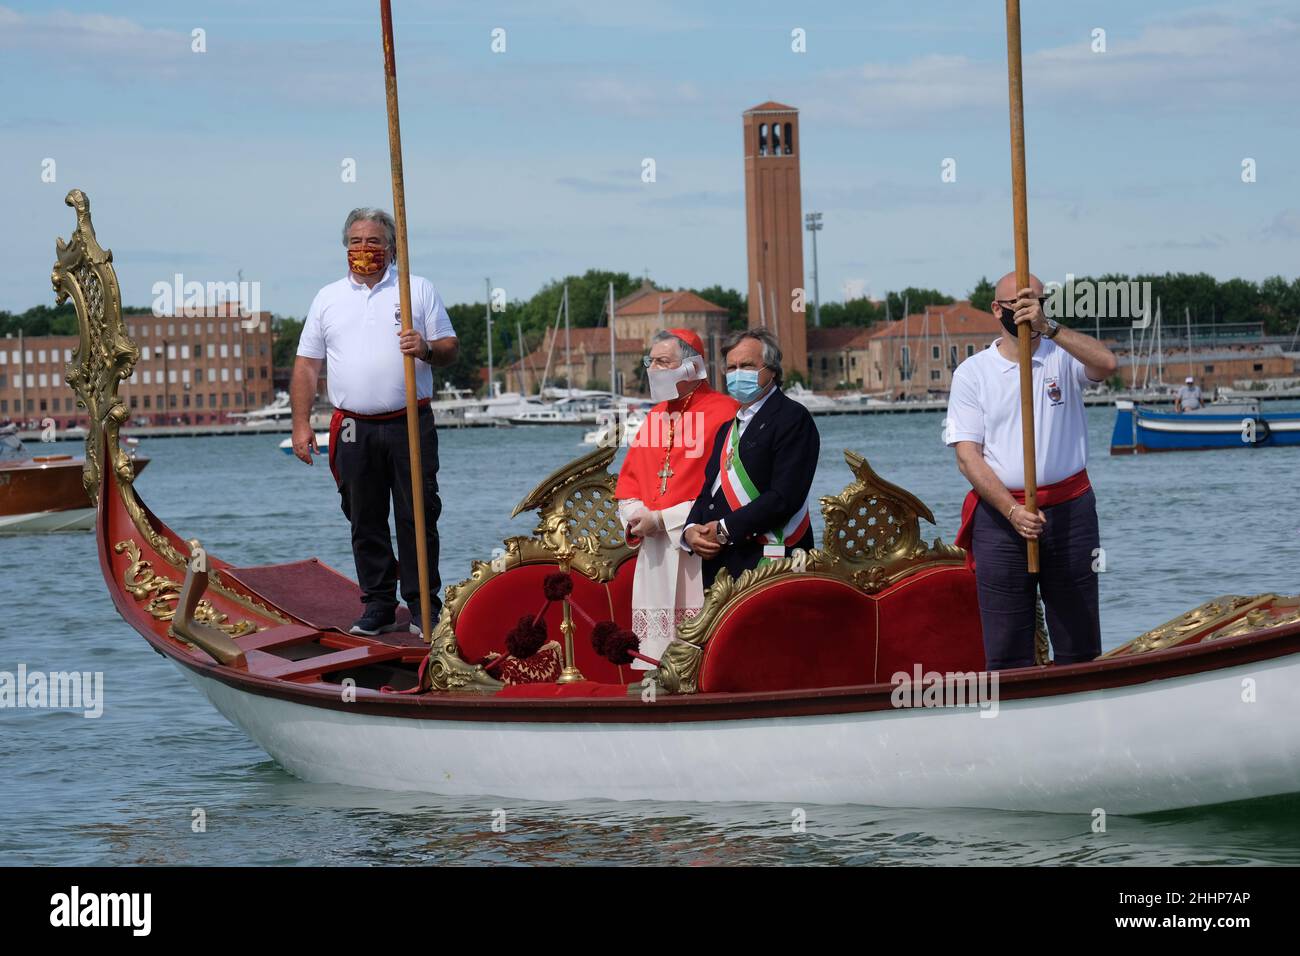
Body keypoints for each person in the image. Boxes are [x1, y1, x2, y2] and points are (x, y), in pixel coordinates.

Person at [290, 207, 459, 637]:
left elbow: (450, 347)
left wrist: (424, 349)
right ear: (345, 247)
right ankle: (379, 605)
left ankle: (424, 607)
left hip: (409, 422)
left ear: (392, 248)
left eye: (374, 242)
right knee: (363, 515)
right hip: (352, 427)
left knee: (417, 514)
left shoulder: (415, 290)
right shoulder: (327, 298)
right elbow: (308, 364)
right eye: (356, 241)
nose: (364, 250)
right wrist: (300, 424)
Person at [946, 272, 1118, 670]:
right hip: (1002, 517)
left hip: (1070, 512)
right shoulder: (973, 373)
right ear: (997, 310)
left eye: (1036, 302)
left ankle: (1083, 711)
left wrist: (1050, 328)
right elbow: (967, 456)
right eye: (1018, 304)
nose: (1027, 310)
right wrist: (1012, 511)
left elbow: (1107, 363)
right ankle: (1012, 721)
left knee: (1079, 640)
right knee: (1006, 646)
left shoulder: (1062, 355)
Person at [615, 329, 739, 668]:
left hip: (701, 547)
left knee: (701, 653)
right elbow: (627, 486)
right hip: (654, 553)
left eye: (662, 361)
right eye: (650, 361)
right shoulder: (655, 417)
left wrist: (665, 520)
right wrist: (638, 516)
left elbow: (728, 494)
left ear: (691, 367)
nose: (653, 369)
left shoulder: (727, 413)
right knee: (656, 659)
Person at [682, 328, 820, 586]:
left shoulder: (793, 418)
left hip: (771, 561)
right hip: (721, 565)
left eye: (746, 365)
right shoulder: (727, 428)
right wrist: (690, 531)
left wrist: (723, 530)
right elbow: (708, 493)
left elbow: (784, 498)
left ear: (772, 370)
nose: (737, 374)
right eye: (731, 368)